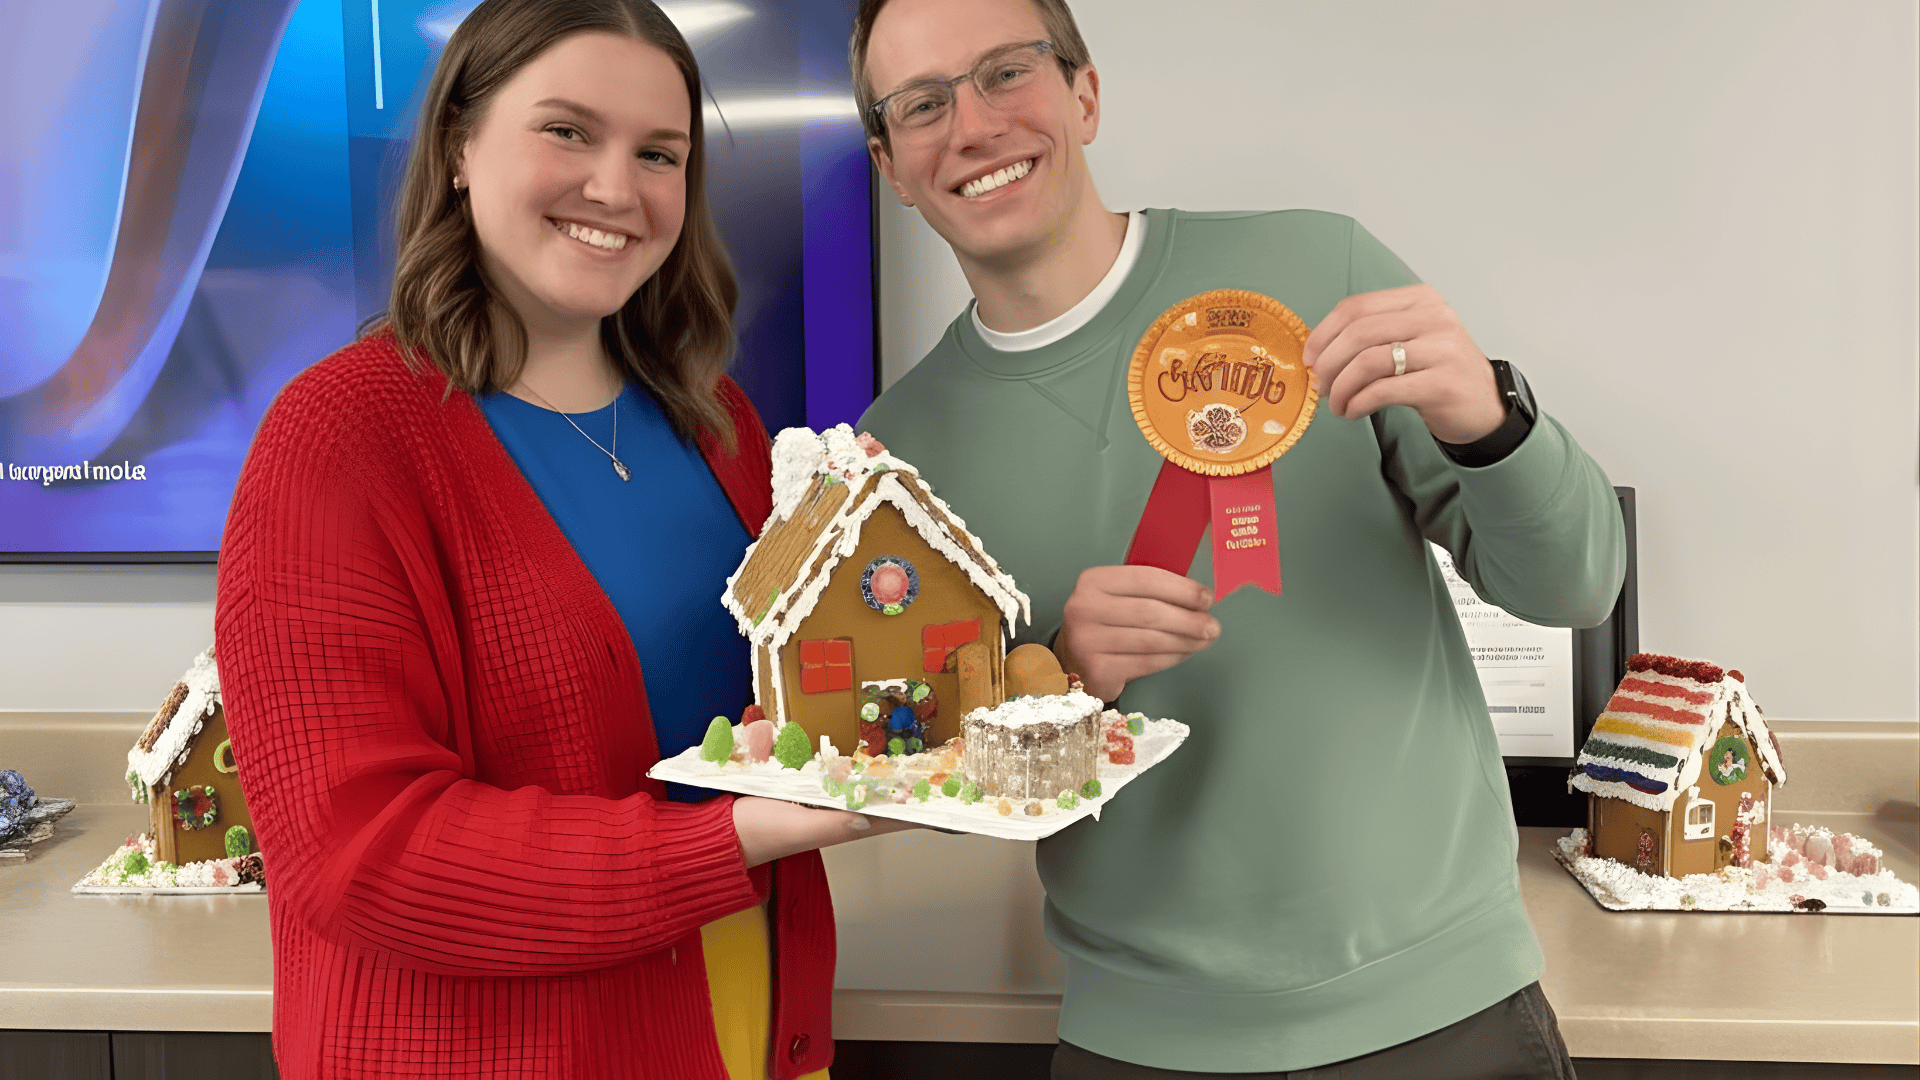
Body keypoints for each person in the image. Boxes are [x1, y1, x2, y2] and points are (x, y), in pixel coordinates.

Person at [849, 1, 1625, 1077]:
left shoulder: (1317, 267)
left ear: (1084, 92)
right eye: (923, 103)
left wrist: (1493, 422)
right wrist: (1066, 678)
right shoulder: (893, 458)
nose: (973, 125)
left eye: (1007, 72)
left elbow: (1578, 584)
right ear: (891, 165)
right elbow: (932, 775)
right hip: (1140, 1043)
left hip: (1449, 1015)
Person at [216, 3, 906, 1077]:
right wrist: (728, 840)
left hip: (749, 1011)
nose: (617, 189)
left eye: (659, 153)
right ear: (458, 147)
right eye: (569, 131)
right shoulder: (338, 438)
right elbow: (358, 856)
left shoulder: (717, 421)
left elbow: (788, 706)